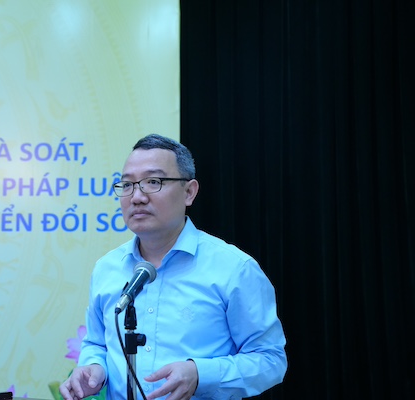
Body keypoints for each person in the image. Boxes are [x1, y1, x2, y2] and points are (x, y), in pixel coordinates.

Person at [59, 134, 287, 400]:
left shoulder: (235, 269)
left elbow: (270, 360)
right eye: (127, 184)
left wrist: (200, 373)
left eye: (153, 182)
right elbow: (97, 343)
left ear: (189, 192)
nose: (137, 197)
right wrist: (94, 368)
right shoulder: (107, 268)